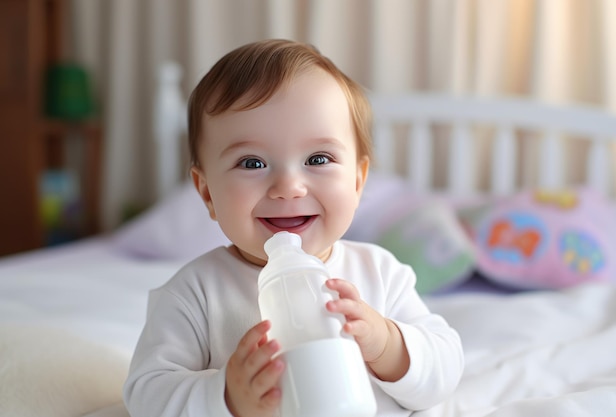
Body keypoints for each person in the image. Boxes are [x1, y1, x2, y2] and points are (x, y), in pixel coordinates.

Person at [123, 39, 464, 417]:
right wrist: (226, 397)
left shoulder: (379, 274)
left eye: (318, 158)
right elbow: (146, 394)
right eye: (251, 163)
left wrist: (388, 346)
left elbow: (445, 368)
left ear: (357, 181)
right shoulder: (194, 293)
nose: (288, 187)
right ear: (206, 193)